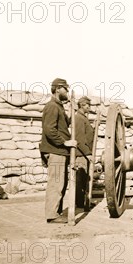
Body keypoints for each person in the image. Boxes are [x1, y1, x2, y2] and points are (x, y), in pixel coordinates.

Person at [40, 78, 77, 223]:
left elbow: (64, 124)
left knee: (61, 183)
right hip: (55, 151)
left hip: (60, 151)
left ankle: (56, 212)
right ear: (57, 89)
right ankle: (51, 215)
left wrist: (71, 110)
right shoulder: (52, 106)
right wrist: (65, 142)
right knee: (56, 183)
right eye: (65, 89)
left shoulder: (59, 107)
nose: (67, 91)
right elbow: (49, 129)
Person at [74, 96, 95, 211]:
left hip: (85, 153)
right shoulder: (79, 118)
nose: (89, 107)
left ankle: (82, 202)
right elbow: (80, 139)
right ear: (82, 105)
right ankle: (80, 203)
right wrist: (87, 153)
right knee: (80, 179)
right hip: (81, 154)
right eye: (88, 105)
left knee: (84, 178)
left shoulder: (83, 118)